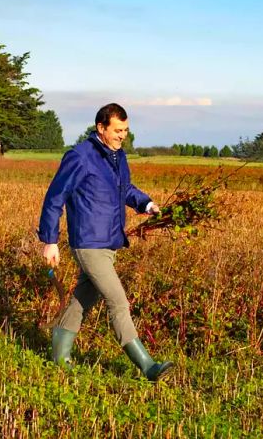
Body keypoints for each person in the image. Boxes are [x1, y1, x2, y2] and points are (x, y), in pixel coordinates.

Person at [37, 103, 174, 381]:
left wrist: (146, 203)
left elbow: (125, 189)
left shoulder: (118, 157)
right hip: (87, 243)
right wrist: (50, 240)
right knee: (118, 302)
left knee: (82, 300)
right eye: (117, 130)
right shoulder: (80, 156)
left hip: (109, 241)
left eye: (125, 130)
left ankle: (60, 355)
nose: (122, 135)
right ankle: (147, 366)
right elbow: (54, 198)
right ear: (101, 128)